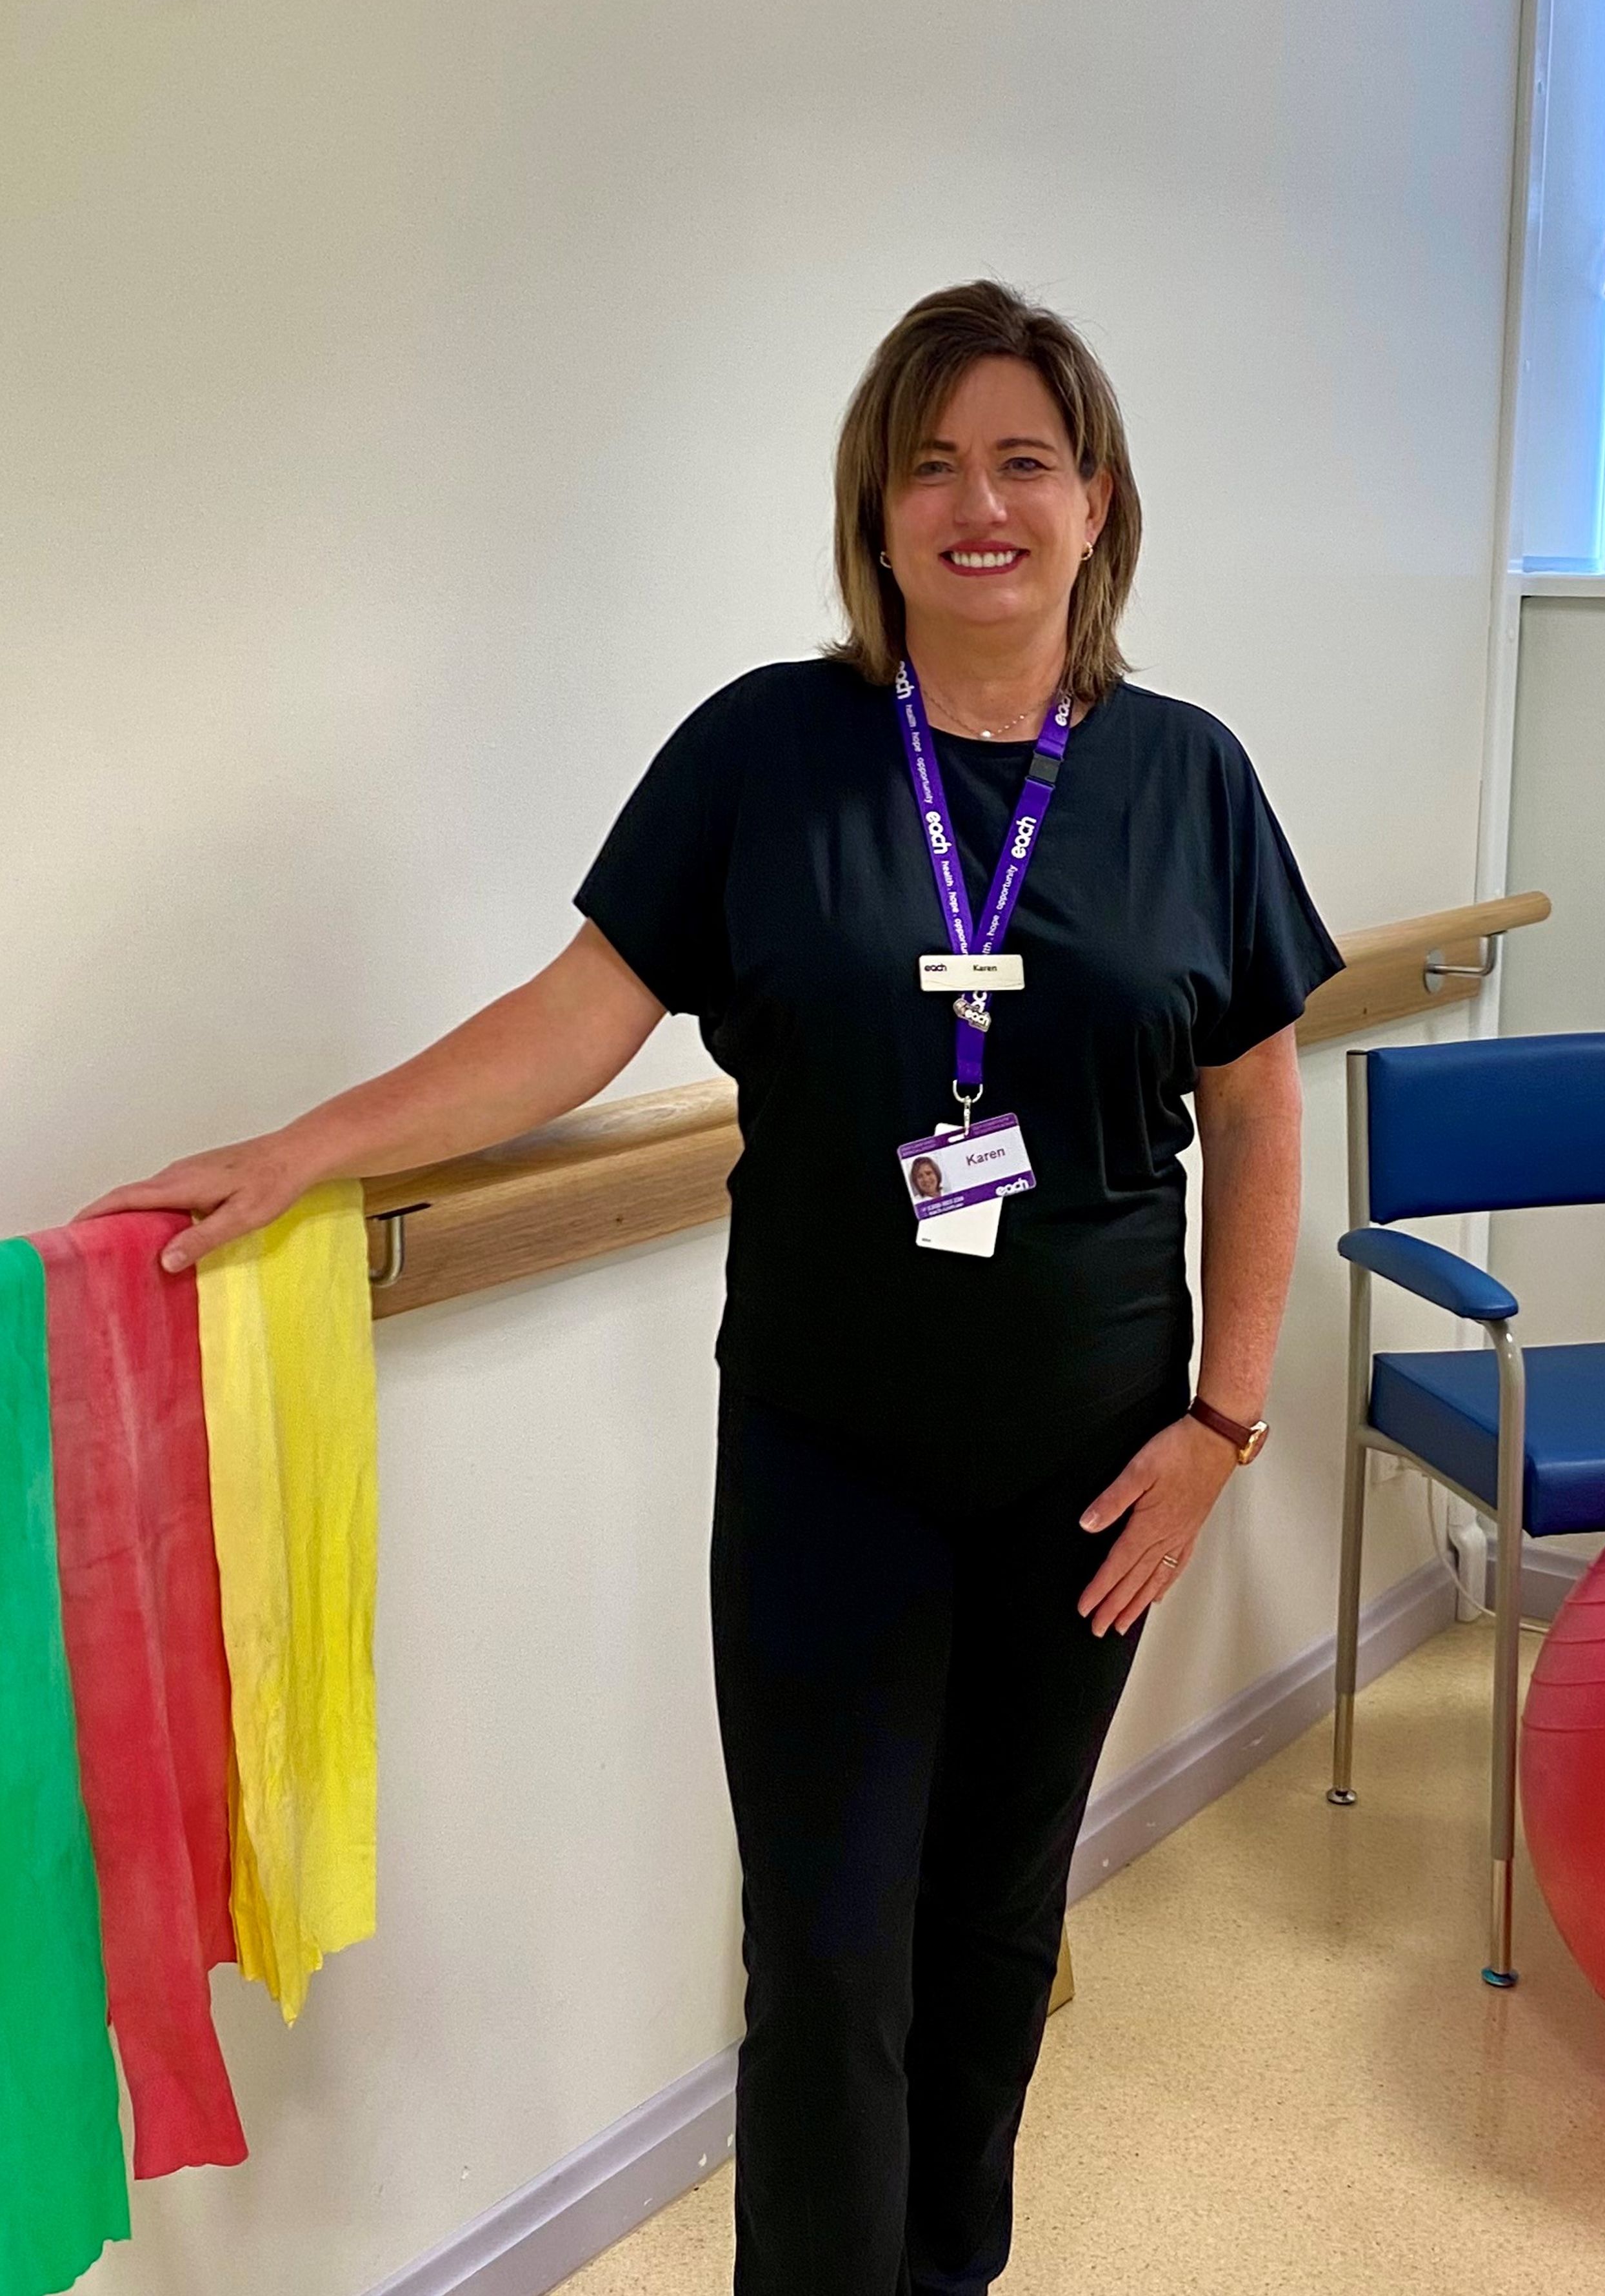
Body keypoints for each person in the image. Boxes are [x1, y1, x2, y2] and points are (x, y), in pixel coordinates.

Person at [84, 279, 1341, 2296]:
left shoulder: (1189, 777)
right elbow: (578, 1018)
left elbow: (1261, 1118)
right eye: (929, 464)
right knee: (830, 1945)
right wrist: (316, 1142)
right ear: (876, 512)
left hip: (1094, 1475)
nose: (977, 503)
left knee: (995, 1928)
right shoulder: (773, 748)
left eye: (1024, 460)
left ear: (1097, 503)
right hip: (832, 1462)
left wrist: (1222, 1425)